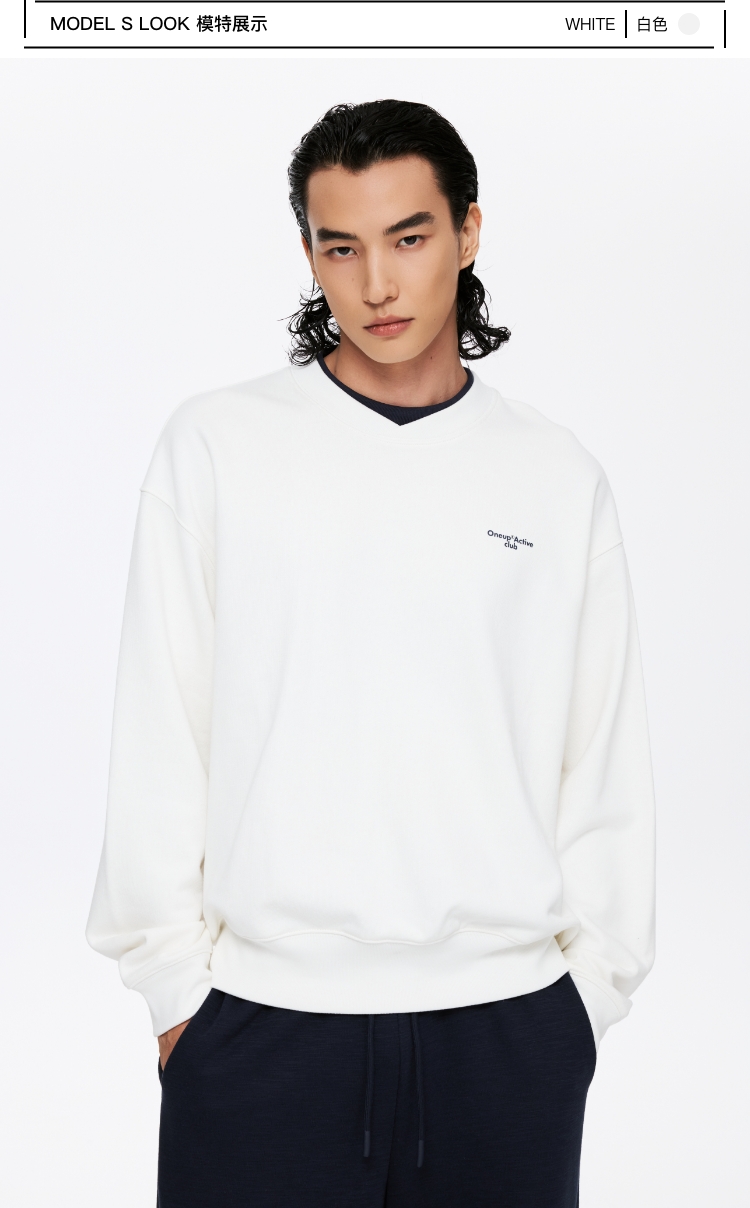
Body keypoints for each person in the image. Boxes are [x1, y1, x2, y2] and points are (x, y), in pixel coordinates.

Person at [87, 100, 655, 1208]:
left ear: (469, 232)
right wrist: (174, 993)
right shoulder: (218, 447)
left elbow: (603, 759)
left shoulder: (555, 474)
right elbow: (163, 725)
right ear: (310, 254)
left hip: (507, 1033)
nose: (378, 284)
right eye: (341, 247)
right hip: (261, 1027)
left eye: (409, 236)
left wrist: (583, 1005)